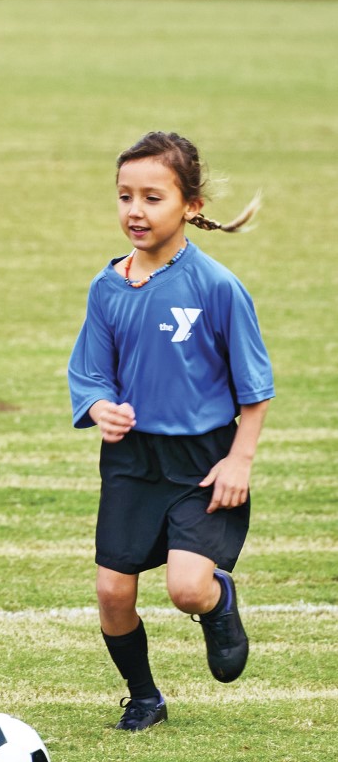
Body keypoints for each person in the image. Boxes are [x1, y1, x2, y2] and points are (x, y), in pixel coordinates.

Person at [68, 131, 274, 731]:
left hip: (202, 461)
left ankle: (219, 602)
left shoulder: (215, 286)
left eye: (153, 197)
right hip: (133, 460)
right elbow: (91, 372)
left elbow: (254, 389)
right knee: (112, 594)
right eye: (125, 196)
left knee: (187, 588)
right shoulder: (107, 285)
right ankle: (144, 697)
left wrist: (241, 460)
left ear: (191, 206)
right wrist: (100, 407)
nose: (135, 210)